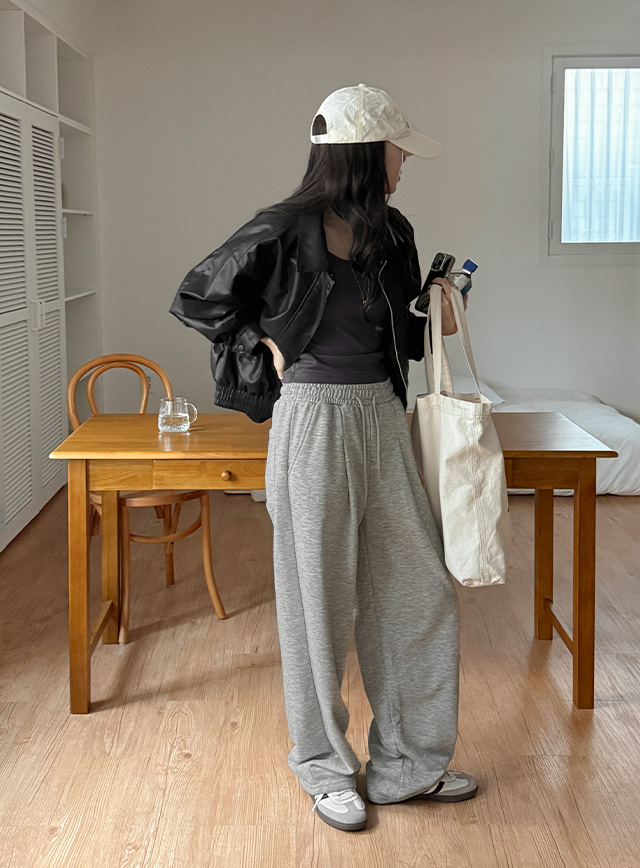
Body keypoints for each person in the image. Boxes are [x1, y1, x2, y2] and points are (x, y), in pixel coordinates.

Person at [169, 83, 477, 833]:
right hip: (310, 421)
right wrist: (260, 344)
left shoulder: (392, 232)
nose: (405, 161)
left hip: (383, 417)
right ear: (366, 153)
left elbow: (401, 334)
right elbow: (198, 297)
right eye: (398, 149)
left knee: (419, 593)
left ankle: (407, 765)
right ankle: (324, 765)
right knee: (317, 603)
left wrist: (441, 309)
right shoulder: (281, 229)